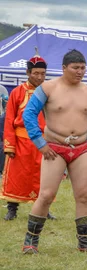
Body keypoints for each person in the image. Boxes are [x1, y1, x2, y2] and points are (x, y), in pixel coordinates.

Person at [22, 49, 87, 253]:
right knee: (46, 195)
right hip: (54, 148)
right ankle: (30, 241)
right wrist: (40, 143)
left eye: (83, 68)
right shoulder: (47, 88)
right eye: (75, 68)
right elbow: (29, 114)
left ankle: (85, 242)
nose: (80, 72)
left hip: (81, 147)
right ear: (64, 68)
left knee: (83, 195)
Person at [1, 50, 54, 221]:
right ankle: (12, 209)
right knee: (17, 176)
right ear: (28, 73)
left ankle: (45, 209)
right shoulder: (17, 92)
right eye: (36, 73)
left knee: (44, 176)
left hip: (44, 141)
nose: (39, 77)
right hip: (22, 140)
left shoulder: (50, 92)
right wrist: (9, 145)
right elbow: (9, 119)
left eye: (43, 73)